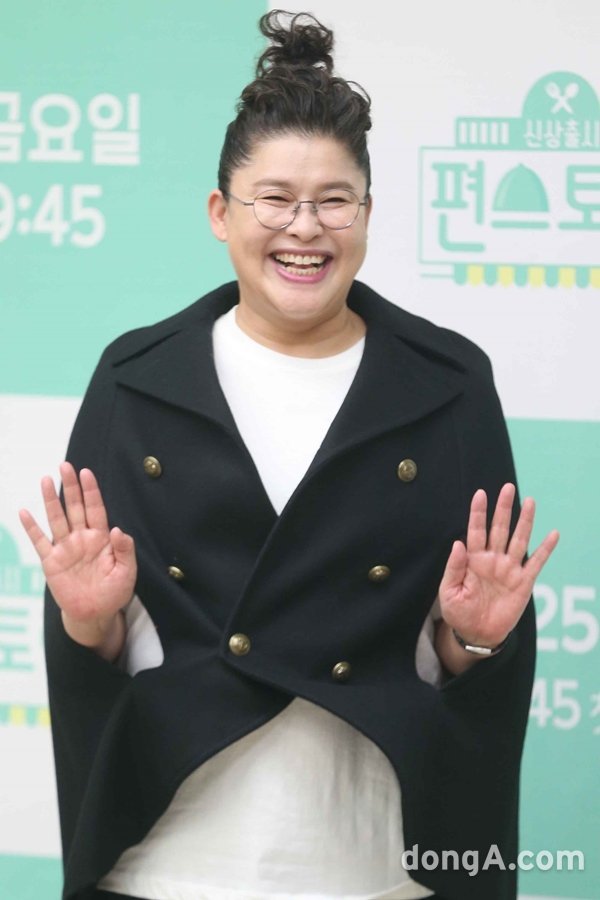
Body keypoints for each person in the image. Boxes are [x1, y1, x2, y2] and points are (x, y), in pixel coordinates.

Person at [19, 10, 559, 900]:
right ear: (220, 213)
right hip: (169, 857)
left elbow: (466, 660)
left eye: (334, 200)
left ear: (368, 215)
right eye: (273, 199)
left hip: (372, 859)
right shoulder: (135, 378)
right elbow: (98, 649)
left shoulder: (449, 383)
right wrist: (88, 620)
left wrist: (473, 636)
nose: (304, 228)